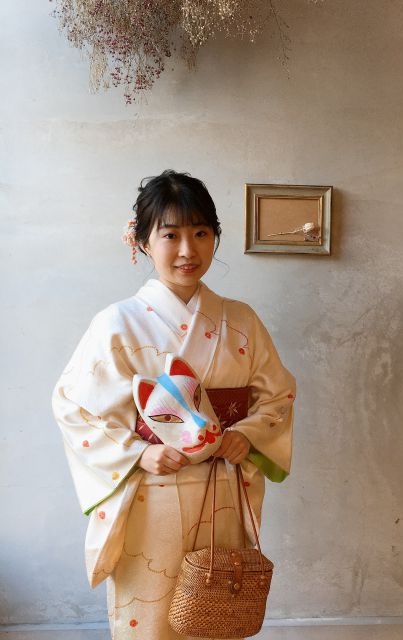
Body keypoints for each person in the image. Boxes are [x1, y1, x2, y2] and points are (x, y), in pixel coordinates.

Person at [51, 170, 296, 639]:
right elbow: (74, 407)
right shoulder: (116, 323)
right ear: (142, 241)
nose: (188, 250)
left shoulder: (241, 320)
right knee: (149, 618)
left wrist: (246, 436)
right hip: (151, 495)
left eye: (201, 233)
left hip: (221, 491)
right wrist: (138, 452)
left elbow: (278, 395)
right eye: (171, 235)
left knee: (214, 616)